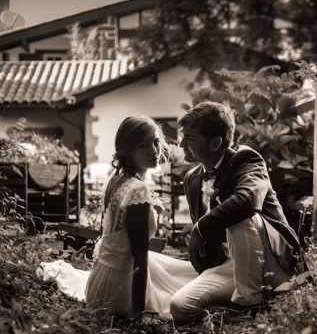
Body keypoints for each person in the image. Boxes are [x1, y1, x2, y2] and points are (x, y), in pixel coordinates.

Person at [38, 115, 198, 319]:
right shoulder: (137, 190)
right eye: (143, 145)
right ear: (128, 151)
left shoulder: (115, 180)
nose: (154, 151)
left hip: (101, 282)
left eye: (156, 142)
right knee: (187, 286)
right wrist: (140, 312)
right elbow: (139, 257)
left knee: (178, 271)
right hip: (122, 289)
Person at [169, 101, 306, 324]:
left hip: (272, 261)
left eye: (190, 138)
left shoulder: (246, 159)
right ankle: (240, 310)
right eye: (183, 136)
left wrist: (200, 228)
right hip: (229, 266)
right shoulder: (192, 179)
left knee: (239, 216)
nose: (182, 143)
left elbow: (247, 202)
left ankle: (249, 302)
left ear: (215, 143)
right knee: (180, 307)